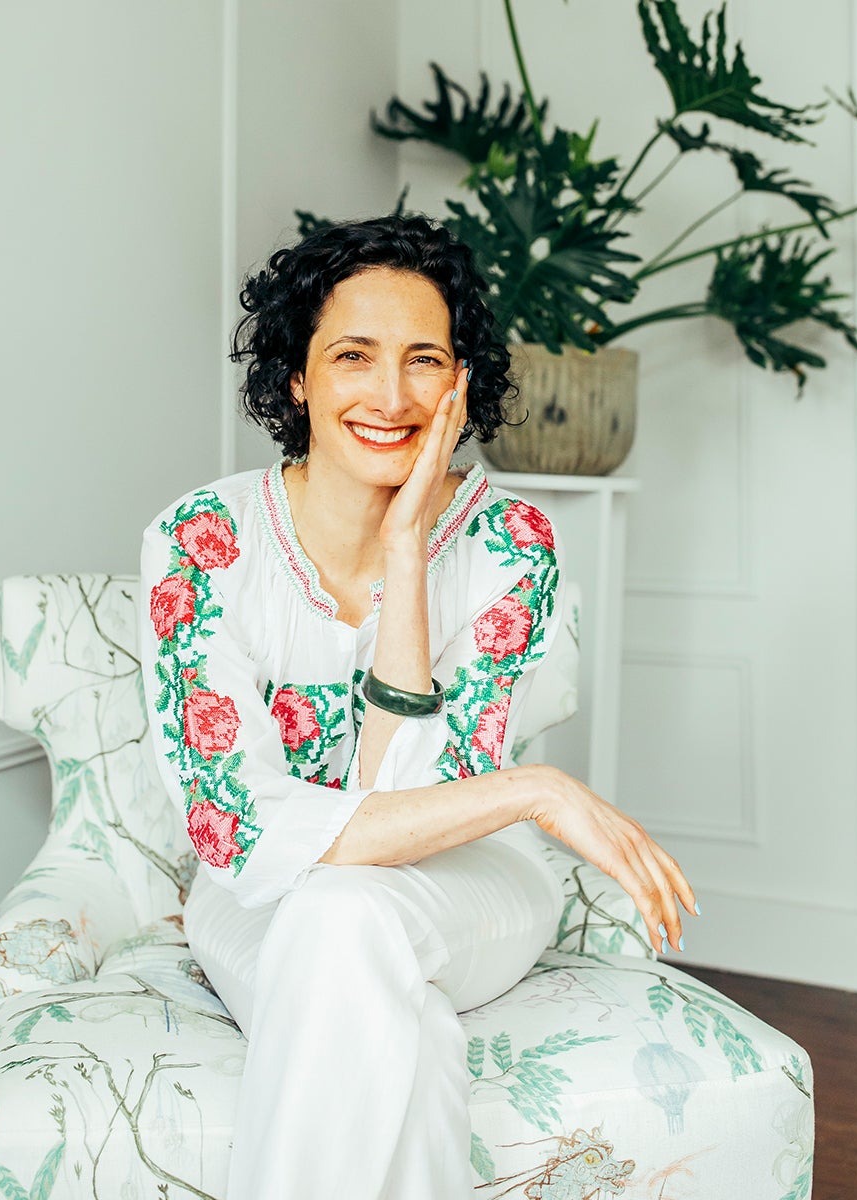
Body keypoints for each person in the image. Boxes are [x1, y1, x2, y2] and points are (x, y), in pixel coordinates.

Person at [136, 213, 697, 1199]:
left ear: (460, 379)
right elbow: (232, 826)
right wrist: (530, 788)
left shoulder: (511, 542)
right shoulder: (202, 540)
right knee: (347, 937)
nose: (391, 396)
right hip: (255, 903)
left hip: (473, 887)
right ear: (298, 377)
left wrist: (406, 557)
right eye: (352, 356)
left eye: (423, 360)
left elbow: (429, 802)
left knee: (343, 912)